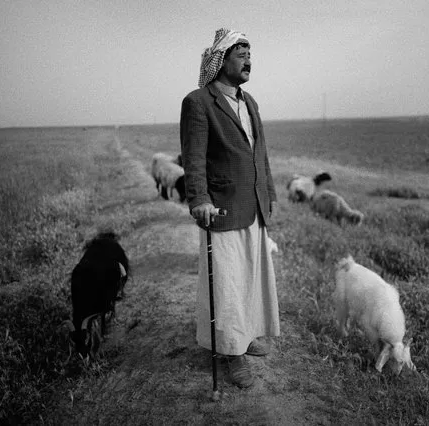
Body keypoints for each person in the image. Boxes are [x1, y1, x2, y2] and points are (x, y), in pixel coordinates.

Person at [179, 28, 280, 389]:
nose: (249, 60)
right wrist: (200, 199)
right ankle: (230, 354)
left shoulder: (249, 101)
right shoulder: (198, 102)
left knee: (250, 278)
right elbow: (193, 158)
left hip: (253, 204)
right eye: (241, 54)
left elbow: (260, 153)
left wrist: (268, 193)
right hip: (220, 208)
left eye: (250, 54)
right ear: (221, 61)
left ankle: (245, 335)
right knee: (227, 283)